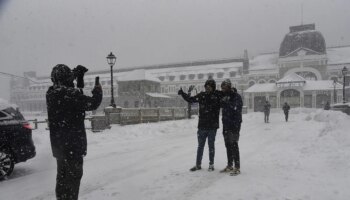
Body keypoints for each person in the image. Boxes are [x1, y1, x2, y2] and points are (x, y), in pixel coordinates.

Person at [46, 64, 102, 200]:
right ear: (66, 78)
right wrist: (98, 90)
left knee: (62, 180)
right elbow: (92, 103)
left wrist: (78, 79)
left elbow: (71, 96)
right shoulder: (70, 95)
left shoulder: (51, 93)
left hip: (59, 147)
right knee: (72, 182)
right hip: (73, 147)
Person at [178, 79, 222, 172]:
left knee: (211, 146)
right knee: (200, 146)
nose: (207, 88)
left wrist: (232, 91)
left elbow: (227, 94)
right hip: (202, 126)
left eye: (209, 86)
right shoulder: (202, 95)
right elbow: (191, 99)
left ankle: (211, 165)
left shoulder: (217, 95)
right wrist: (182, 93)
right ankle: (198, 165)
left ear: (213, 87)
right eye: (206, 86)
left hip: (212, 127)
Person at [219, 79, 243, 176]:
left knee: (234, 145)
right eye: (222, 88)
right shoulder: (225, 96)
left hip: (235, 124)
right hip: (226, 124)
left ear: (229, 86)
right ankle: (230, 165)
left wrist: (227, 102)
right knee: (227, 145)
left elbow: (236, 108)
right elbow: (221, 105)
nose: (223, 89)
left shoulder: (236, 96)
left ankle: (237, 167)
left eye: (224, 87)